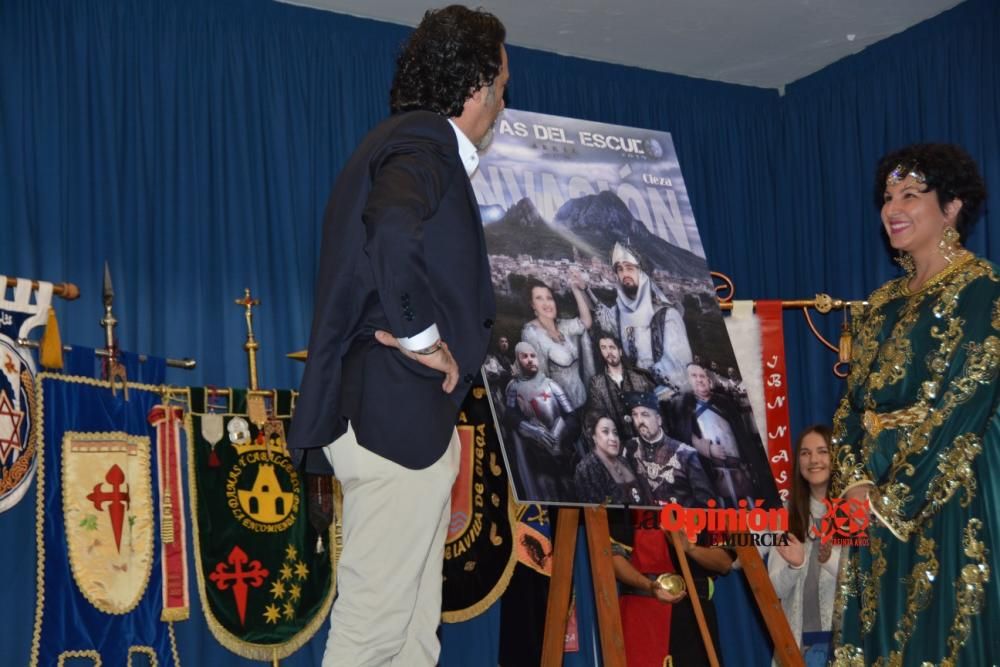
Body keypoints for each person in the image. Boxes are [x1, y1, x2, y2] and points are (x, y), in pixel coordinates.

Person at [287, 7, 508, 665]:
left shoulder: (403, 142)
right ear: (474, 87)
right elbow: (390, 228)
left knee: (411, 638)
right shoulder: (423, 142)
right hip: (394, 415)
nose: (502, 100)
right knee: (374, 631)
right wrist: (423, 339)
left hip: (398, 421)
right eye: (501, 84)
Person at [831, 143, 1000, 666]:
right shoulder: (881, 302)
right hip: (871, 493)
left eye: (910, 194)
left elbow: (965, 400)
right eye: (887, 196)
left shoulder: (983, 289)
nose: (892, 208)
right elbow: (851, 407)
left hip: (950, 487)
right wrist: (855, 482)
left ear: (951, 207)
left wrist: (893, 500)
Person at [610, 508, 734, 666]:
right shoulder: (630, 497)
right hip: (642, 612)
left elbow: (724, 562)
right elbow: (613, 557)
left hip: (694, 615)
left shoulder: (704, 501)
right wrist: (648, 585)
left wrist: (690, 549)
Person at [768, 425, 841, 666]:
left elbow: (867, 584)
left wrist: (828, 560)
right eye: (805, 453)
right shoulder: (785, 516)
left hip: (846, 650)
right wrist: (794, 566)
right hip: (797, 651)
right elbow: (774, 591)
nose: (814, 460)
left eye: (823, 451)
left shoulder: (855, 512)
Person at [664, 361, 780, 508]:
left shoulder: (725, 402)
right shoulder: (682, 406)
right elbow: (683, 437)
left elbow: (743, 437)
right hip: (713, 474)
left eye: (703, 376)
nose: (699, 379)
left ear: (710, 379)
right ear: (688, 379)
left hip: (740, 471)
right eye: (694, 376)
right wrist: (707, 449)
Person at [587, 243, 693, 392]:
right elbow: (605, 319)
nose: (624, 275)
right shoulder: (619, 311)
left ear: (643, 273)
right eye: (620, 269)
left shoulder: (667, 316)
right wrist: (585, 289)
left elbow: (679, 369)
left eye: (630, 268)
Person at [504, 341, 575, 502]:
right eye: (524, 356)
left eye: (533, 356)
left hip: (562, 452)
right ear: (517, 359)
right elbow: (509, 416)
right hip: (536, 454)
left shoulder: (552, 385)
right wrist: (532, 430)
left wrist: (559, 436)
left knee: (569, 490)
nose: (530, 360)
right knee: (546, 493)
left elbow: (571, 416)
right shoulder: (514, 387)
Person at [623, 391, 715, 507]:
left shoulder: (685, 454)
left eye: (645, 414)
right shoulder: (630, 450)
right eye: (635, 415)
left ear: (659, 420)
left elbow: (707, 505)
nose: (639, 421)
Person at [519, 276, 596, 411]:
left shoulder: (563, 325)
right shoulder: (531, 333)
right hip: (563, 411)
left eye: (549, 298)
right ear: (532, 305)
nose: (547, 303)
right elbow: (539, 380)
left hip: (584, 401)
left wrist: (576, 290)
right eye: (539, 298)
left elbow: (586, 323)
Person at [584, 333, 655, 440]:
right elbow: (599, 418)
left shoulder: (639, 377)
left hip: (646, 438)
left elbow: (653, 413)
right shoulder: (596, 383)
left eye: (612, 347)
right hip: (618, 443)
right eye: (604, 348)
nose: (609, 352)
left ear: (620, 351)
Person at [573, 412, 652, 505]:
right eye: (605, 432)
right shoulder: (586, 468)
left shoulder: (625, 461)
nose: (613, 438)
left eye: (615, 433)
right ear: (594, 436)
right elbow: (597, 510)